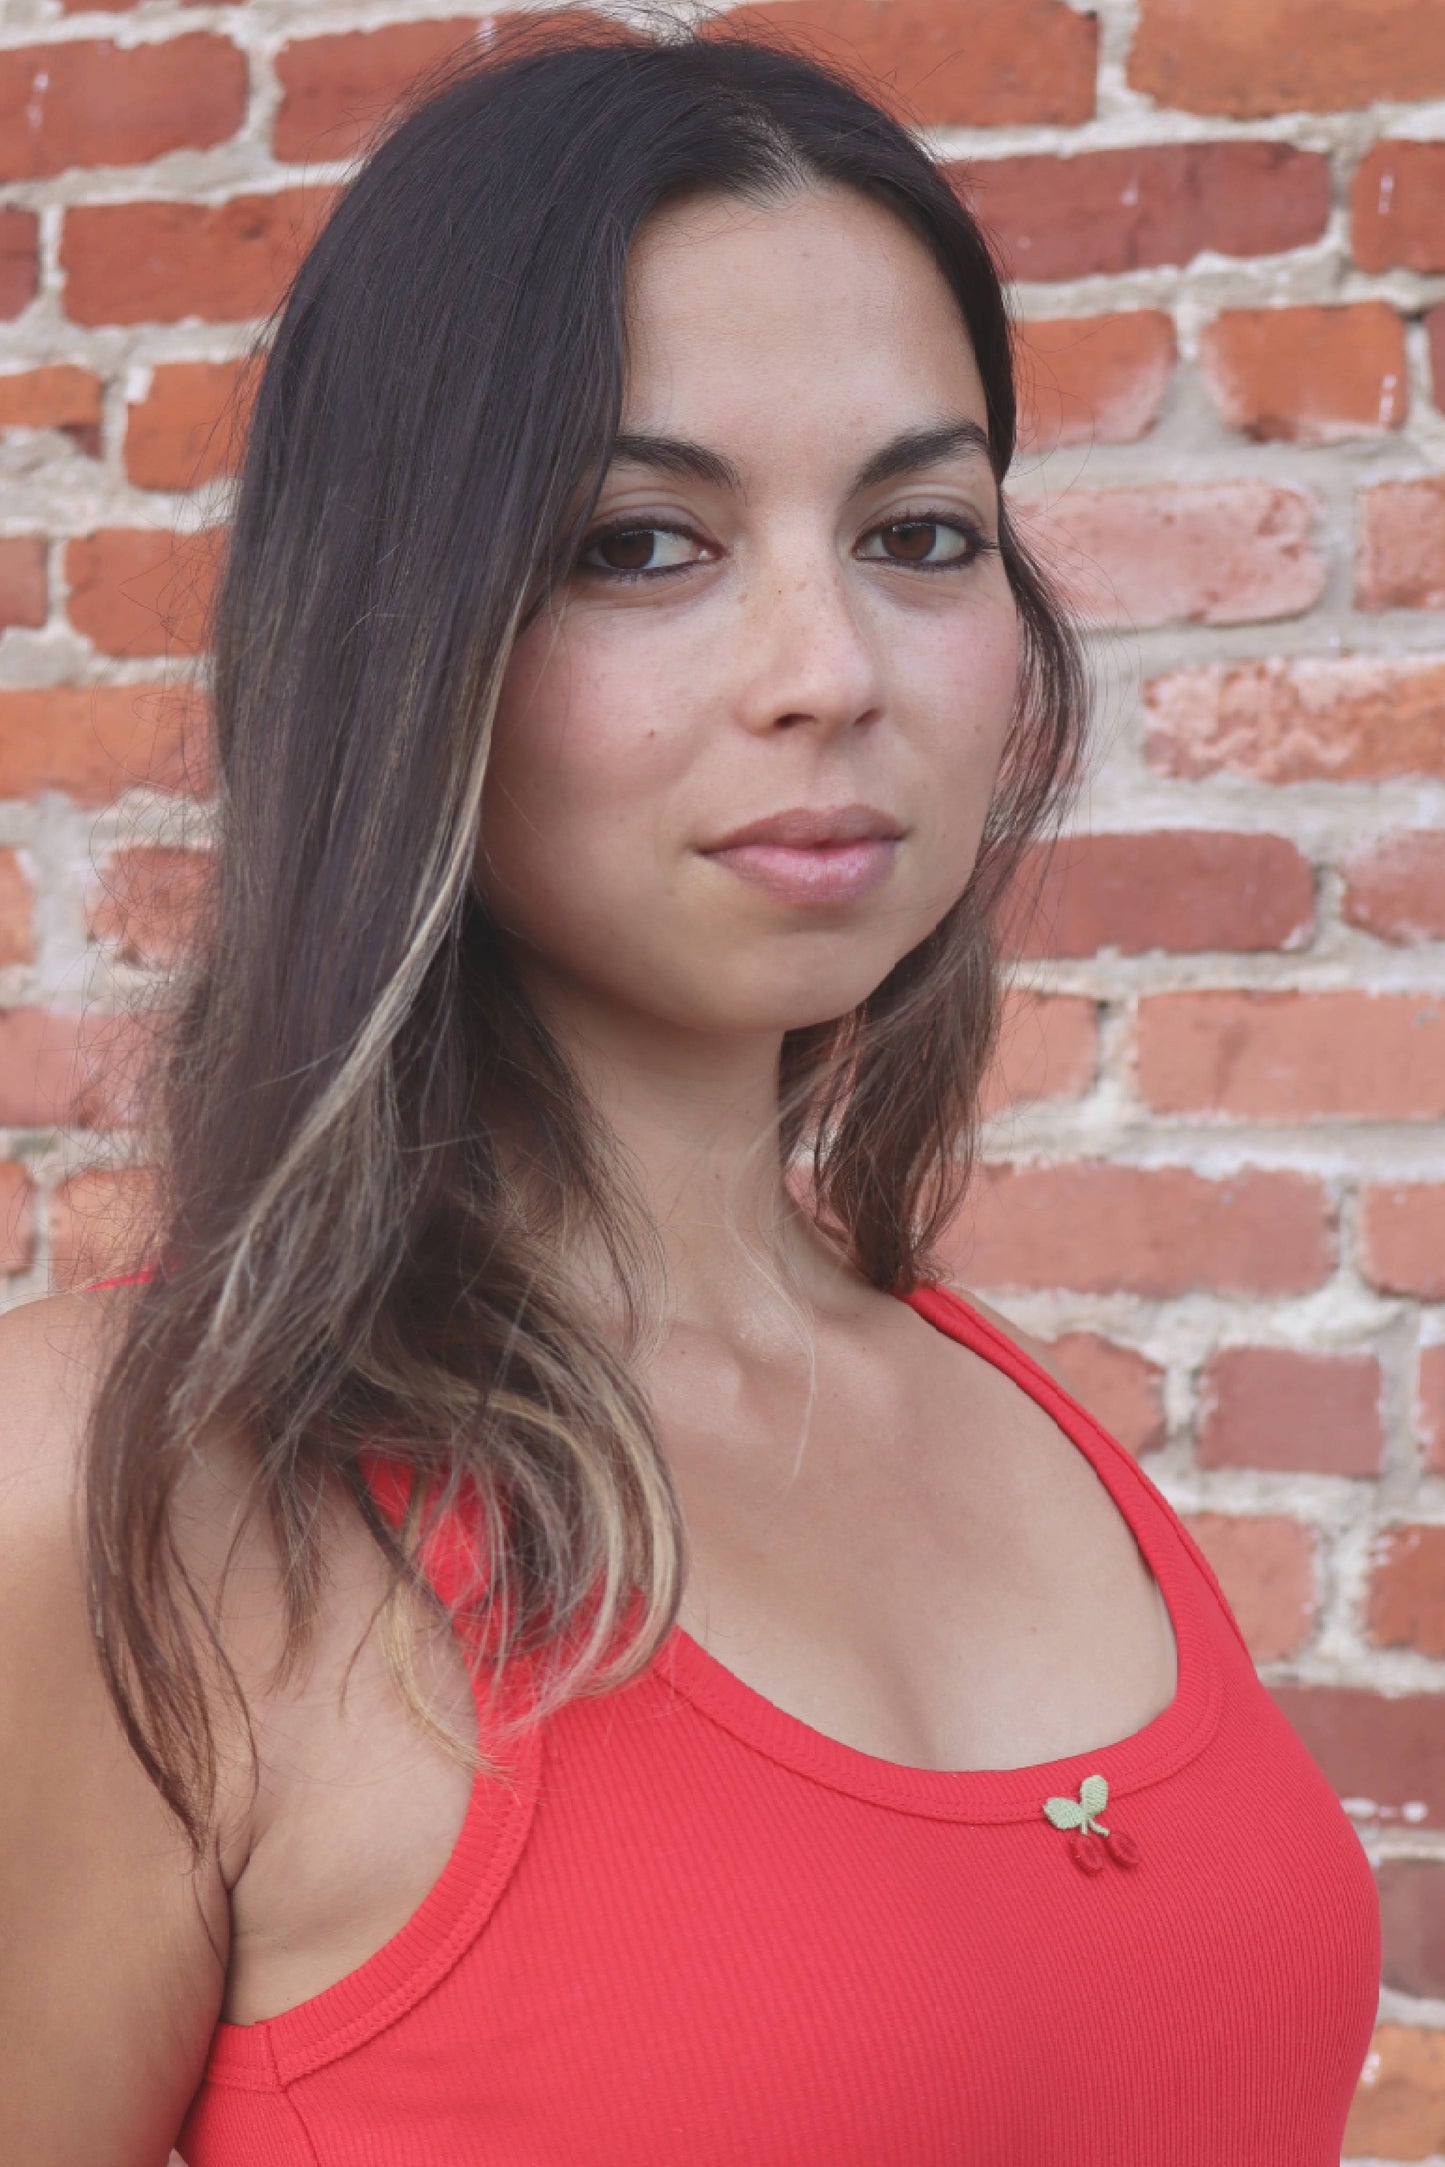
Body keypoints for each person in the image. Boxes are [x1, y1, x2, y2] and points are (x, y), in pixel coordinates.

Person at [0, 16, 1380, 2164]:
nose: (829, 671)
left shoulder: (1021, 1418)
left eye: (922, 533)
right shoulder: (126, 1483)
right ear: (402, 627)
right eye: (644, 544)